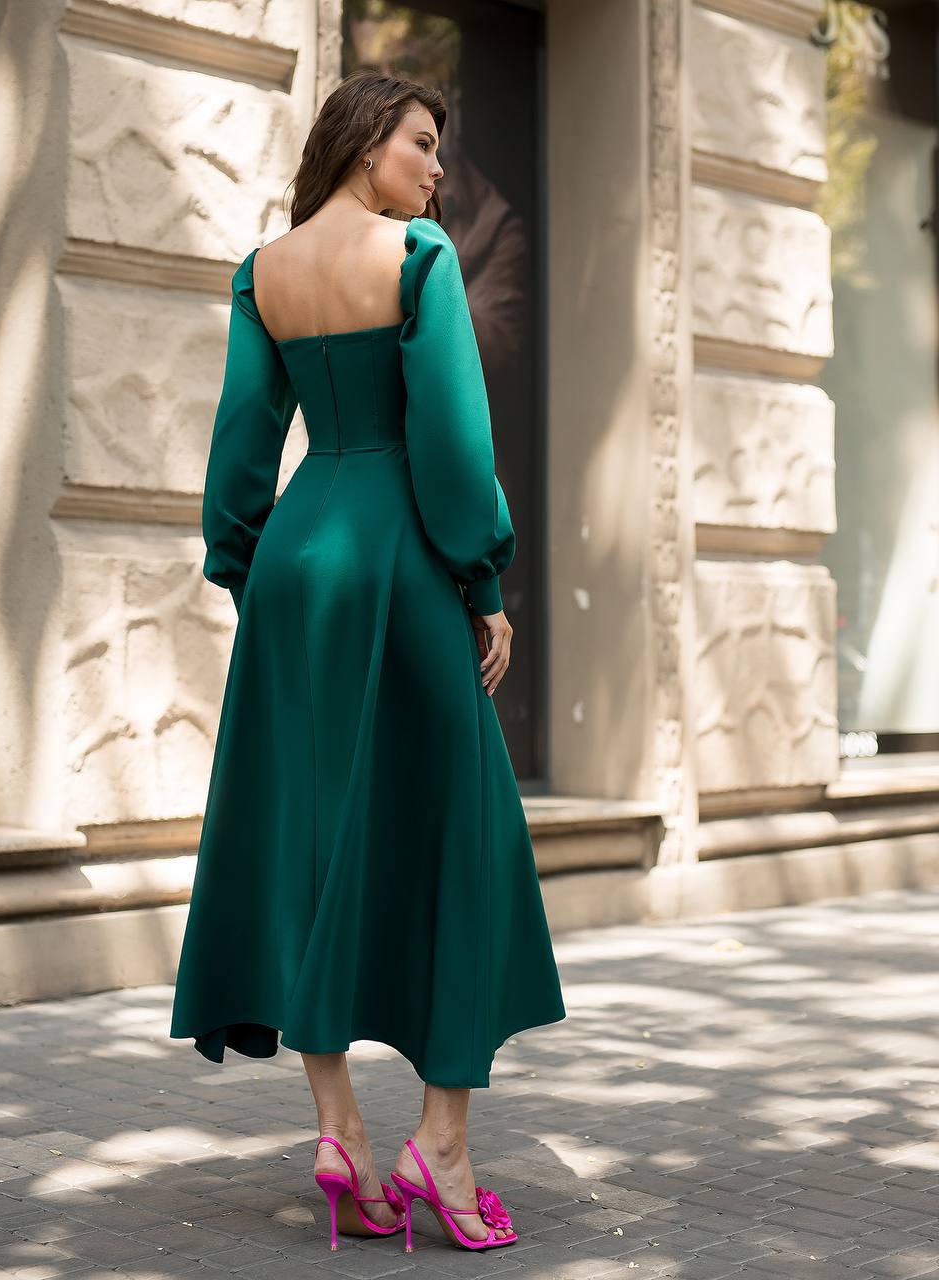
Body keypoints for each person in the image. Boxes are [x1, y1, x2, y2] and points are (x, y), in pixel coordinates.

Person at [169, 68, 566, 1254]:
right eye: (422, 144)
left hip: (300, 555)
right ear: (362, 145)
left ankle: (340, 1126)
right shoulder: (418, 259)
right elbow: (450, 445)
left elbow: (242, 446)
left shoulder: (265, 270)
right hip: (399, 558)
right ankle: (441, 1141)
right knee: (464, 835)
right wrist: (482, 582)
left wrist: (252, 568)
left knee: (312, 831)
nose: (436, 170)